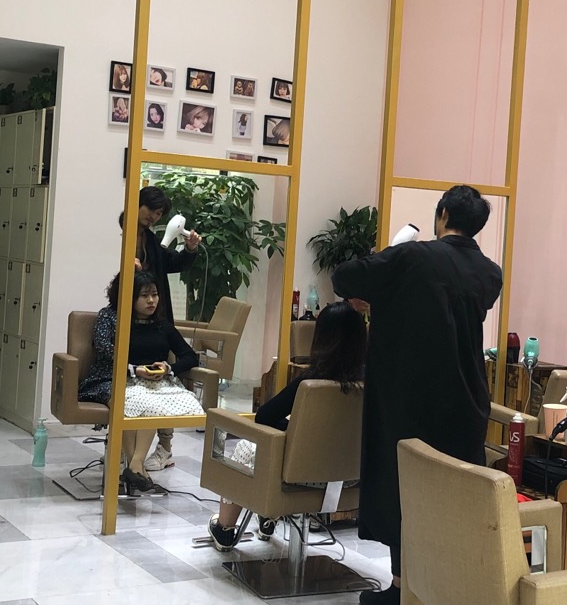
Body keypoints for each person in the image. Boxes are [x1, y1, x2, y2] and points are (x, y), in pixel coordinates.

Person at [332, 185, 502, 605]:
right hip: (466, 397)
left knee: (402, 488)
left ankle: (403, 590)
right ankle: (445, 590)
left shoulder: (413, 256)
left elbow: (345, 276)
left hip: (411, 395)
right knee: (452, 493)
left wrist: (375, 292)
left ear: (442, 214)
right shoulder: (490, 273)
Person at [206, 302, 366, 549]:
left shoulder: (311, 381)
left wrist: (295, 429)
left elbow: (265, 417)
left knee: (247, 447)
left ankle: (225, 528)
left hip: (299, 476)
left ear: (322, 338)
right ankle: (268, 517)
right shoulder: (371, 383)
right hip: (351, 480)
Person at [79, 271, 203, 494]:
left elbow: (190, 356)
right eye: (144, 296)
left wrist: (168, 368)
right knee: (133, 401)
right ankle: (137, 469)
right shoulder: (113, 319)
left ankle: (135, 466)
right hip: (113, 379)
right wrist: (135, 369)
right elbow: (105, 349)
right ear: (129, 296)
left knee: (151, 402)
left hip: (151, 385)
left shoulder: (161, 325)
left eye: (154, 295)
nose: (151, 301)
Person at [118, 186, 202, 470]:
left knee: (161, 381)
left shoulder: (151, 240)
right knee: (130, 382)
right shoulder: (124, 232)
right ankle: (126, 450)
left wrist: (190, 249)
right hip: (127, 314)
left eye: (158, 214)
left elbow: (171, 264)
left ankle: (164, 447)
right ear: (137, 203)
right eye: (151, 211)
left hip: (155, 319)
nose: (153, 217)